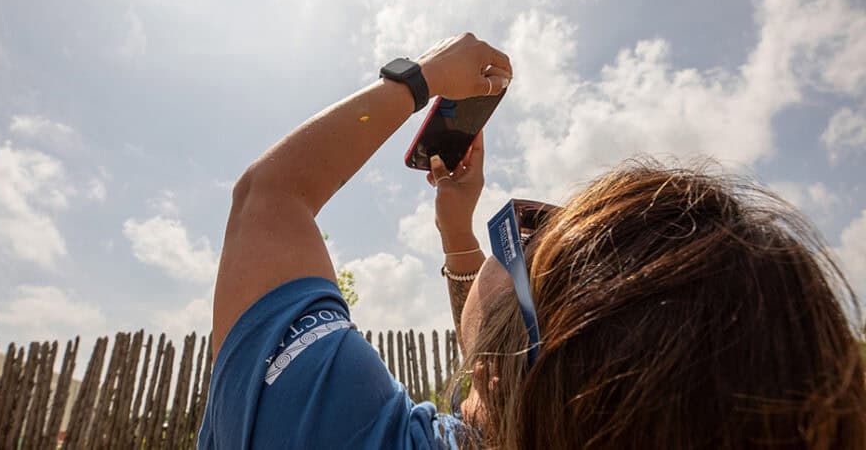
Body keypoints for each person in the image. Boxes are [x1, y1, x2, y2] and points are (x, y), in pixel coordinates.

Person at [197, 33, 866, 449]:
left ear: (492, 381)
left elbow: (270, 198)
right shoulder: (538, 421)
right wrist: (458, 229)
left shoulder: (338, 433)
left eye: (533, 244)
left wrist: (416, 79)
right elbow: (500, 356)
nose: (523, 225)